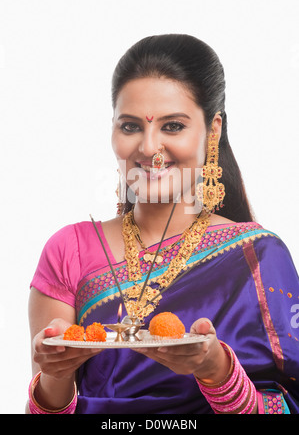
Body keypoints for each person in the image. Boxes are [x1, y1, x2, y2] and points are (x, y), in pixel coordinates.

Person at [27, 34, 299, 414]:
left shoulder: (258, 256)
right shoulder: (69, 250)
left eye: (172, 126)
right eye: (130, 126)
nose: (149, 148)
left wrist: (217, 372)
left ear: (213, 130)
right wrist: (55, 374)